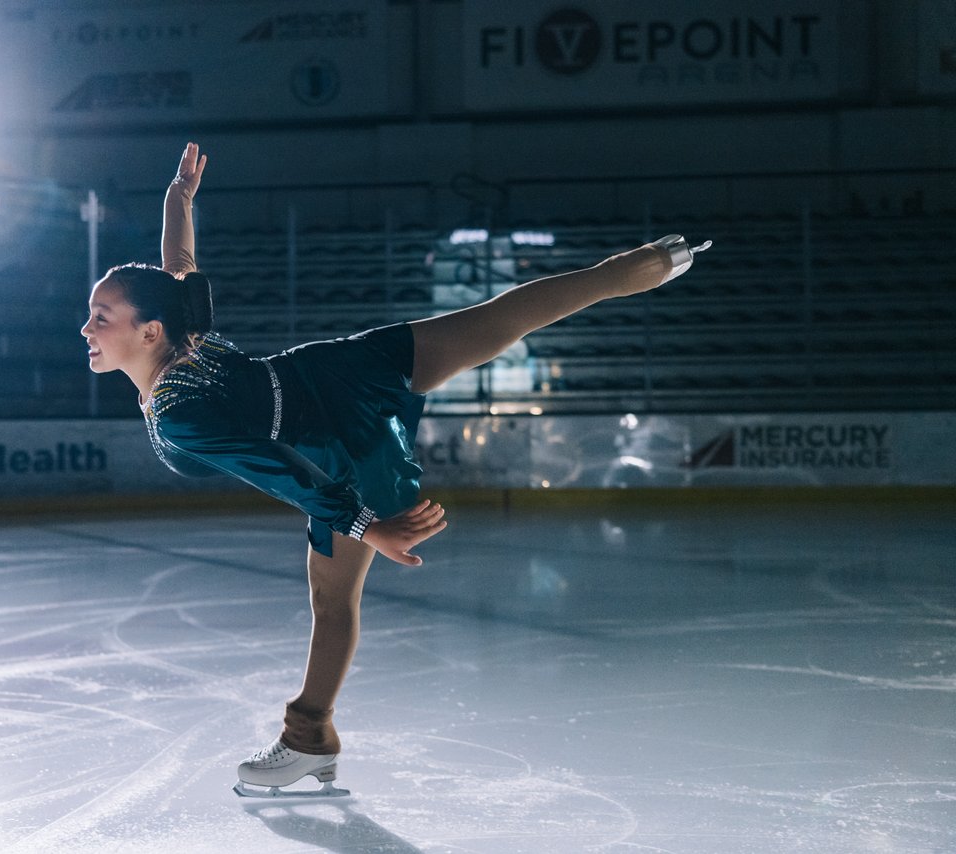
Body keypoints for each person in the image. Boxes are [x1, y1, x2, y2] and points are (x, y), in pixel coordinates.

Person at [80, 142, 708, 797]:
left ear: (149, 331)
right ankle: (649, 264)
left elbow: (287, 473)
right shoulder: (185, 329)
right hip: (341, 367)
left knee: (332, 599)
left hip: (339, 443)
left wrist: (369, 525)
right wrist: (178, 200)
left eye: (101, 317)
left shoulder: (179, 412)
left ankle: (310, 737)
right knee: (500, 319)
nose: (86, 329)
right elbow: (177, 268)